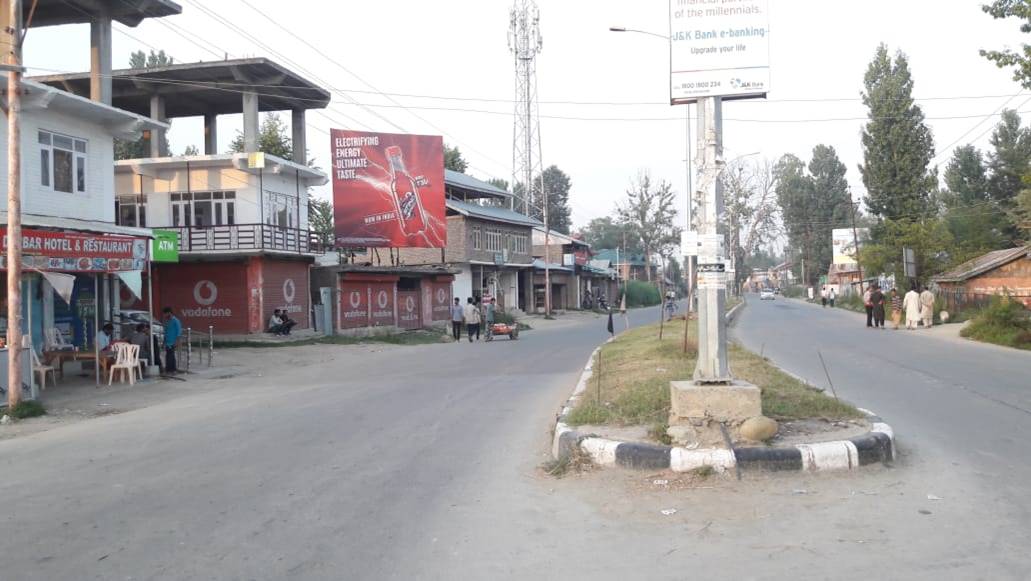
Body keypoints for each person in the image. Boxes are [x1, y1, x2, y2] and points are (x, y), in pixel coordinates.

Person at [162, 307, 182, 373]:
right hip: (167, 341)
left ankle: (173, 369)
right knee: (168, 355)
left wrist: (177, 341)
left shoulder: (176, 321)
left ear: (169, 313)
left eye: (165, 314)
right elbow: (166, 332)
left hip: (173, 341)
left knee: (171, 355)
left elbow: (179, 332)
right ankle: (168, 369)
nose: (164, 315)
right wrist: (164, 342)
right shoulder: (167, 321)